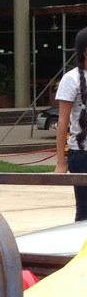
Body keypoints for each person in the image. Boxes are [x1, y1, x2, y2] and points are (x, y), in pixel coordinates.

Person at [55, 27, 87, 221]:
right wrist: (61, 162)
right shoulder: (71, 79)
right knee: (84, 212)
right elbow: (63, 121)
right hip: (81, 154)